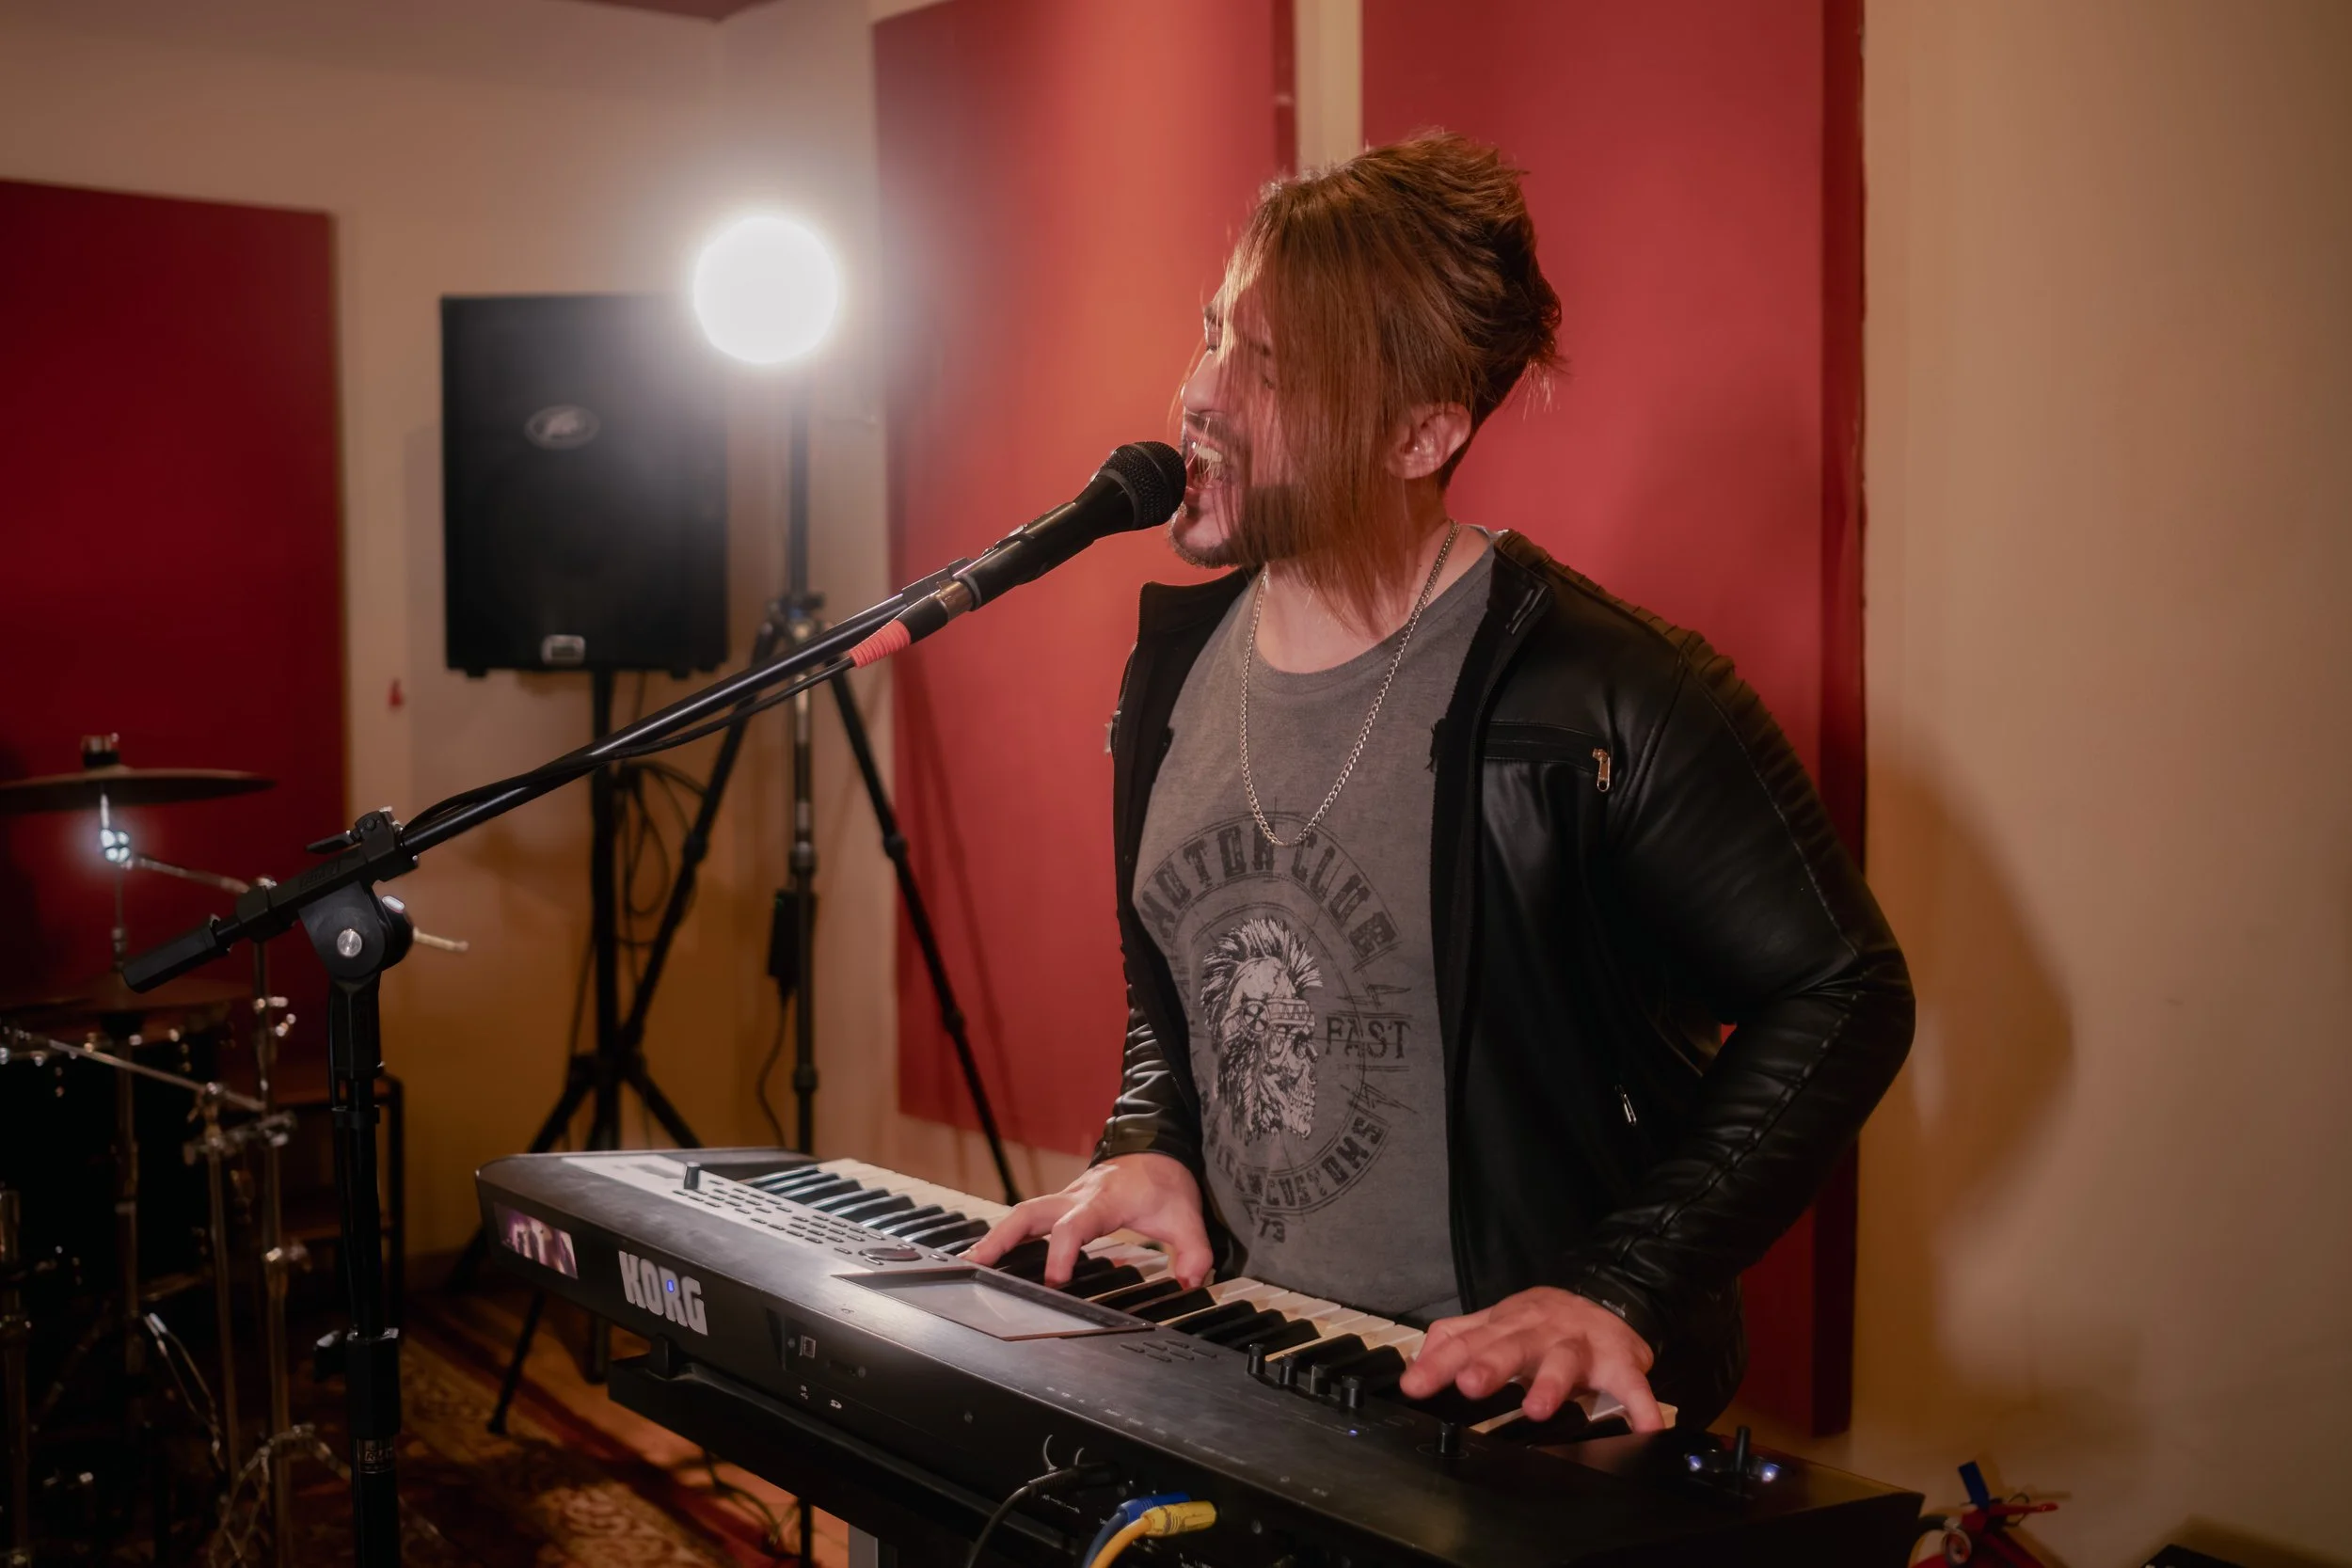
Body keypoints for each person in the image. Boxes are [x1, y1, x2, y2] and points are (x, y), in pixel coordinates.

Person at [967, 133, 1913, 1432]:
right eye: (1213, 333)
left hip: (1497, 1424)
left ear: (1420, 434)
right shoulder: (1170, 671)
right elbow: (1180, 984)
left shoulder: (1609, 693)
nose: (1197, 394)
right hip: (1243, 1370)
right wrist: (1152, 1140)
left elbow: (1845, 989)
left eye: (1268, 368)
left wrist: (1624, 1283)